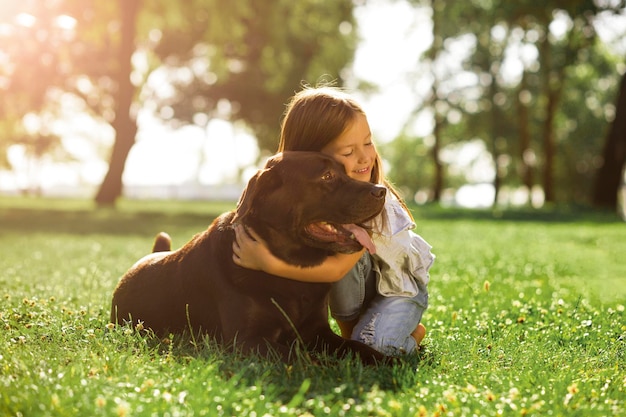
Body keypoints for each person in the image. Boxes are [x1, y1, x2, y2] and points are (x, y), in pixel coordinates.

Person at [232, 85, 435, 356]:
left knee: (379, 348)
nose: (364, 157)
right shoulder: (327, 203)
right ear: (315, 158)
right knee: (357, 342)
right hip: (366, 285)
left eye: (368, 142)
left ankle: (410, 335)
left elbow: (337, 270)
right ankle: (352, 330)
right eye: (349, 152)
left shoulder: (368, 199)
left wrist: (265, 262)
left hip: (400, 292)